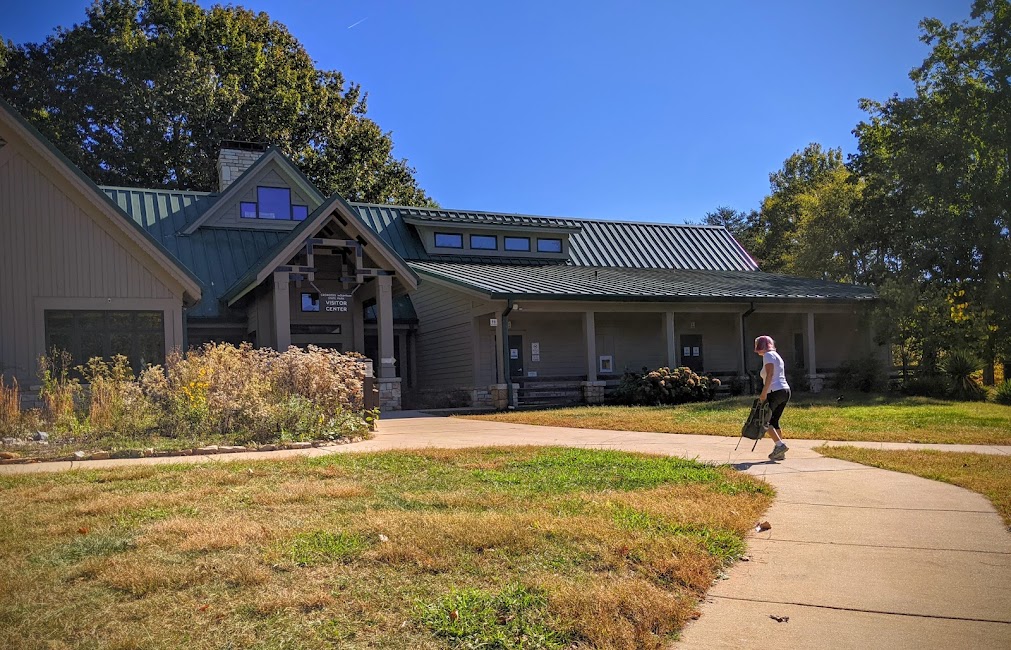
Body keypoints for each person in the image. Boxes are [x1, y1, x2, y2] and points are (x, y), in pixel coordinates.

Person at [754, 335, 791, 461]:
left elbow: (770, 374)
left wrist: (763, 393)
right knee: (774, 422)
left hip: (774, 391)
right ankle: (779, 452)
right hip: (785, 390)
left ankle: (780, 446)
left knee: (765, 421)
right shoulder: (776, 355)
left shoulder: (768, 355)